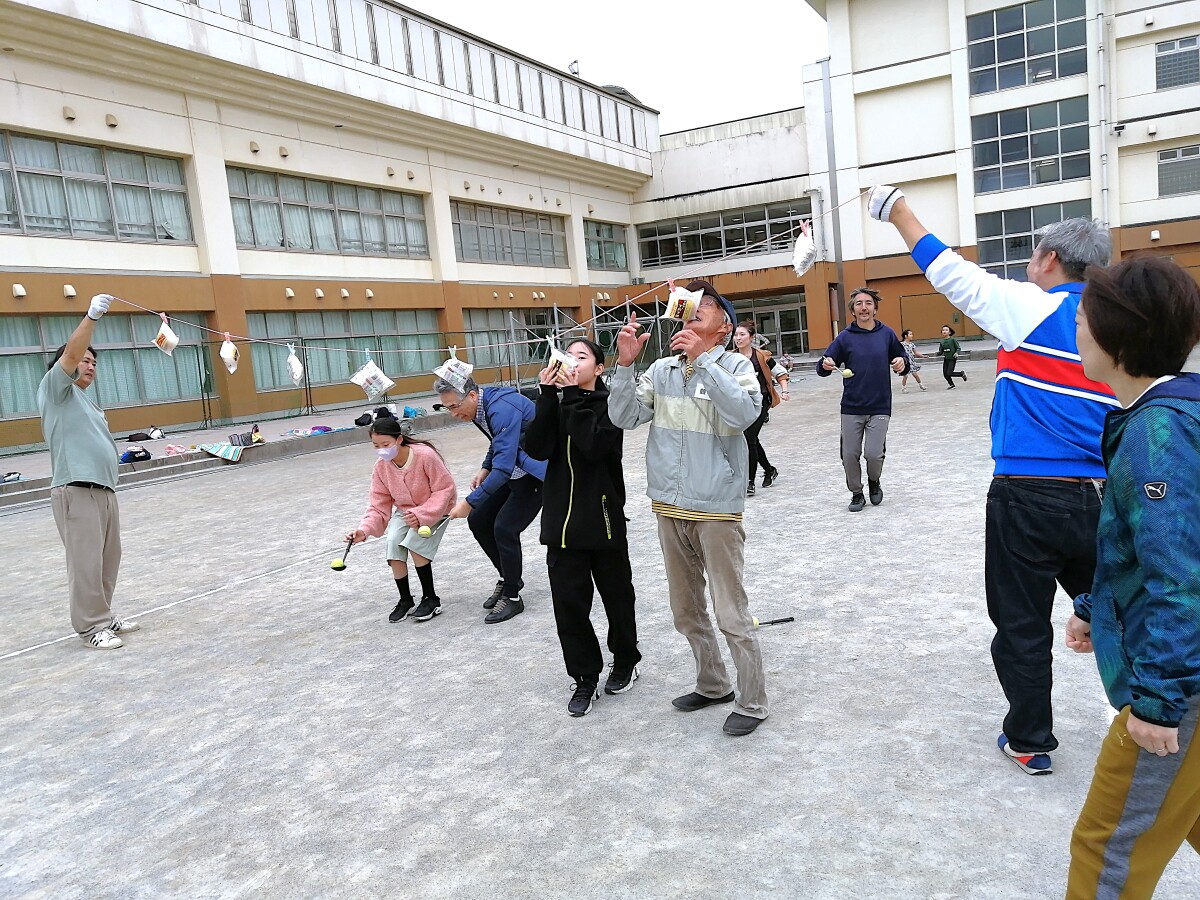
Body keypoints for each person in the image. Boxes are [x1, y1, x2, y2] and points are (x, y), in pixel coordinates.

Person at [867, 183, 1115, 775]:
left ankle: (1030, 739)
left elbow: (950, 273)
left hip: (1026, 496)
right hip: (1105, 496)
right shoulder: (1121, 322)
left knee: (1021, 621)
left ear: (1050, 260)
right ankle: (1152, 716)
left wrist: (898, 212)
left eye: (1033, 257)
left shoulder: (1033, 305)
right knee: (1117, 607)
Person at [1062, 257, 1200, 897]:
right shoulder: (1167, 413)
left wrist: (1157, 702)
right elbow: (1140, 545)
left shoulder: (1158, 430)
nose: (1077, 329)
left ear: (1118, 337)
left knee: (1107, 849)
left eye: (1084, 317)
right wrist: (1095, 604)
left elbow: (1181, 577)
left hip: (1180, 684)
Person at [609, 279, 769, 737]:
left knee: (730, 610)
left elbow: (743, 415)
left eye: (707, 307)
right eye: (690, 306)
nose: (695, 311)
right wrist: (623, 366)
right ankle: (713, 682)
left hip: (716, 507)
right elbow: (624, 417)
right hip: (669, 504)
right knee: (685, 608)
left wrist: (703, 363)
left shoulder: (736, 365)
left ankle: (753, 701)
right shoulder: (660, 370)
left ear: (724, 326)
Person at [524, 338, 641, 717]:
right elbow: (537, 449)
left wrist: (571, 396)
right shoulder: (558, 403)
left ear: (599, 368)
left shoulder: (613, 405)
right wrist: (546, 397)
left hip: (604, 521)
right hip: (562, 528)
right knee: (570, 609)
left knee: (617, 599)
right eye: (567, 356)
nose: (572, 362)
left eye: (581, 357)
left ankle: (625, 660)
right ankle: (585, 678)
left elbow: (592, 446)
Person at [37, 294, 139, 650]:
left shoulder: (89, 403)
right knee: (85, 562)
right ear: (67, 365)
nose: (90, 365)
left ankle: (104, 615)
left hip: (104, 491)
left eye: (94, 361)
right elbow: (69, 353)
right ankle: (90, 627)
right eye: (83, 360)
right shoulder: (56, 390)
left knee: (108, 558)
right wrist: (93, 315)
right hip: (75, 489)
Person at [437, 375, 547, 624]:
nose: (453, 413)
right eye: (447, 408)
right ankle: (508, 577)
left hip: (535, 474)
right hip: (515, 467)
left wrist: (469, 501)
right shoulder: (481, 407)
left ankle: (513, 597)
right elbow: (498, 441)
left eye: (454, 406)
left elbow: (505, 466)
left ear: (473, 395)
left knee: (504, 528)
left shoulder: (501, 407)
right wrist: (485, 468)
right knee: (478, 520)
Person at [344, 418, 457, 623]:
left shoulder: (425, 455)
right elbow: (378, 504)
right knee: (393, 543)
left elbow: (445, 489)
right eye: (376, 446)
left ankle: (431, 599)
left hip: (436, 509)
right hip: (405, 511)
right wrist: (364, 530)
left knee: (415, 543)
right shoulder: (381, 467)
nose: (381, 450)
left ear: (399, 439)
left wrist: (423, 515)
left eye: (385, 445)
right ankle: (405, 600)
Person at [816, 287, 908, 512]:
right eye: (859, 303)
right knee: (849, 455)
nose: (864, 307)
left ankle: (874, 481)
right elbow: (823, 366)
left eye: (868, 303)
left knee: (873, 454)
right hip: (851, 406)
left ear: (875, 308)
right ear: (853, 310)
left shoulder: (886, 334)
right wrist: (825, 364)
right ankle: (857, 493)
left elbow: (902, 358)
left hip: (879, 405)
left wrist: (901, 362)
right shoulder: (845, 337)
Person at [732, 321, 790, 495]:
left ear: (751, 337)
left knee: (748, 438)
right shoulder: (730, 357)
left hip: (760, 402)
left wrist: (784, 390)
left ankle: (749, 482)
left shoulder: (762, 356)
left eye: (742, 334)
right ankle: (770, 469)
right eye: (736, 335)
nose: (738, 338)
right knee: (752, 440)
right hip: (740, 403)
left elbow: (780, 373)